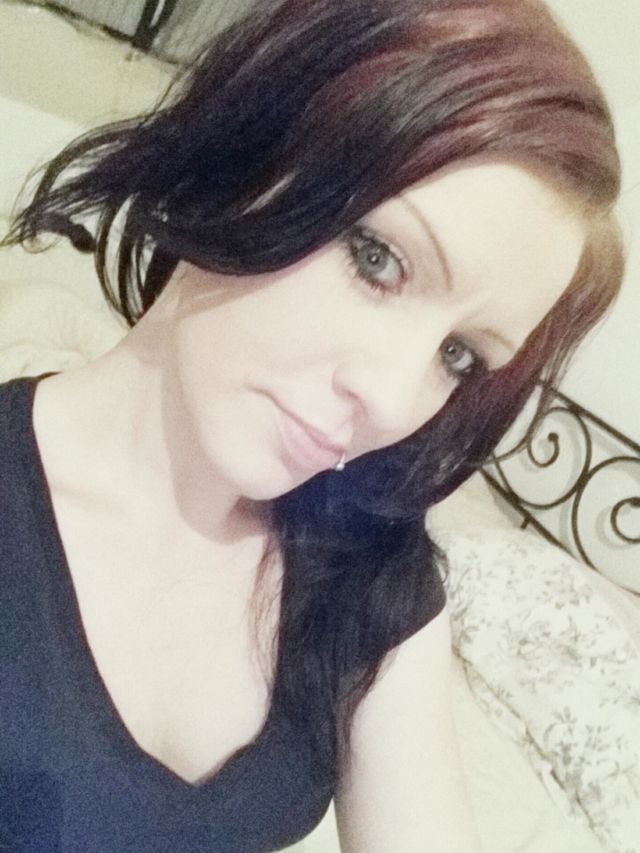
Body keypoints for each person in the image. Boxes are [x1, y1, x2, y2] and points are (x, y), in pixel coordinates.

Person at [0, 0, 624, 850]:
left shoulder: (368, 577)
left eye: (459, 354)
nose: (392, 399)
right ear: (249, 147)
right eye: (377, 258)